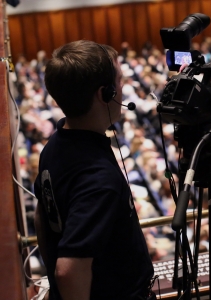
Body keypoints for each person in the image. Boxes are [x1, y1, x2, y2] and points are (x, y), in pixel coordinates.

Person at [34, 40, 154, 300]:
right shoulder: (99, 179)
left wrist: (55, 289)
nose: (123, 89)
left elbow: (42, 219)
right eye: (119, 81)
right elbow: (69, 271)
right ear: (105, 93)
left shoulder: (54, 145)